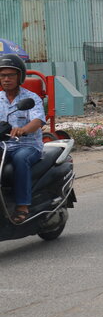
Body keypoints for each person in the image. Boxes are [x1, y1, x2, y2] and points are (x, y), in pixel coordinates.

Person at [0, 54, 45, 224]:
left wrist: (23, 129)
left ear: (20, 77)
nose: (6, 79)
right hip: (4, 145)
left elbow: (37, 121)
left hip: (27, 145)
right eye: (3, 75)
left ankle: (22, 205)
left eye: (11, 75)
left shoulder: (31, 98)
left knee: (20, 159)